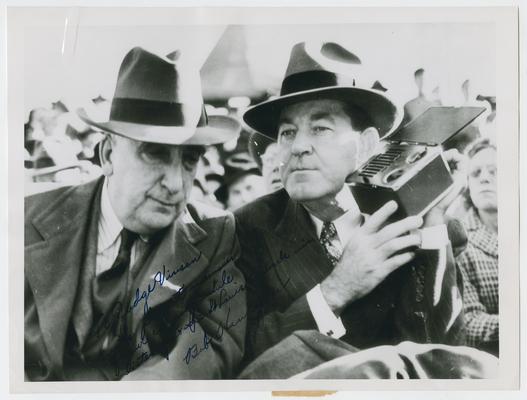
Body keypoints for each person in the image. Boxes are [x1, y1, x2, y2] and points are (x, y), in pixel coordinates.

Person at [235, 42, 466, 375]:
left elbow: (441, 357)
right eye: (287, 132)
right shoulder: (248, 228)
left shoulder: (409, 222)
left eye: (321, 129)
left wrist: (431, 221)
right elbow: (244, 355)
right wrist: (337, 289)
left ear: (367, 144)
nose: (298, 147)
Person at [24, 47, 247, 381]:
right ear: (109, 155)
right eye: (154, 153)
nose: (175, 183)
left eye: (189, 159)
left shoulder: (216, 234)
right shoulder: (28, 217)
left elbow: (217, 340)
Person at [457, 138, 498, 356]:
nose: (484, 178)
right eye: (476, 173)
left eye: (495, 171)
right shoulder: (459, 242)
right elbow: (469, 325)